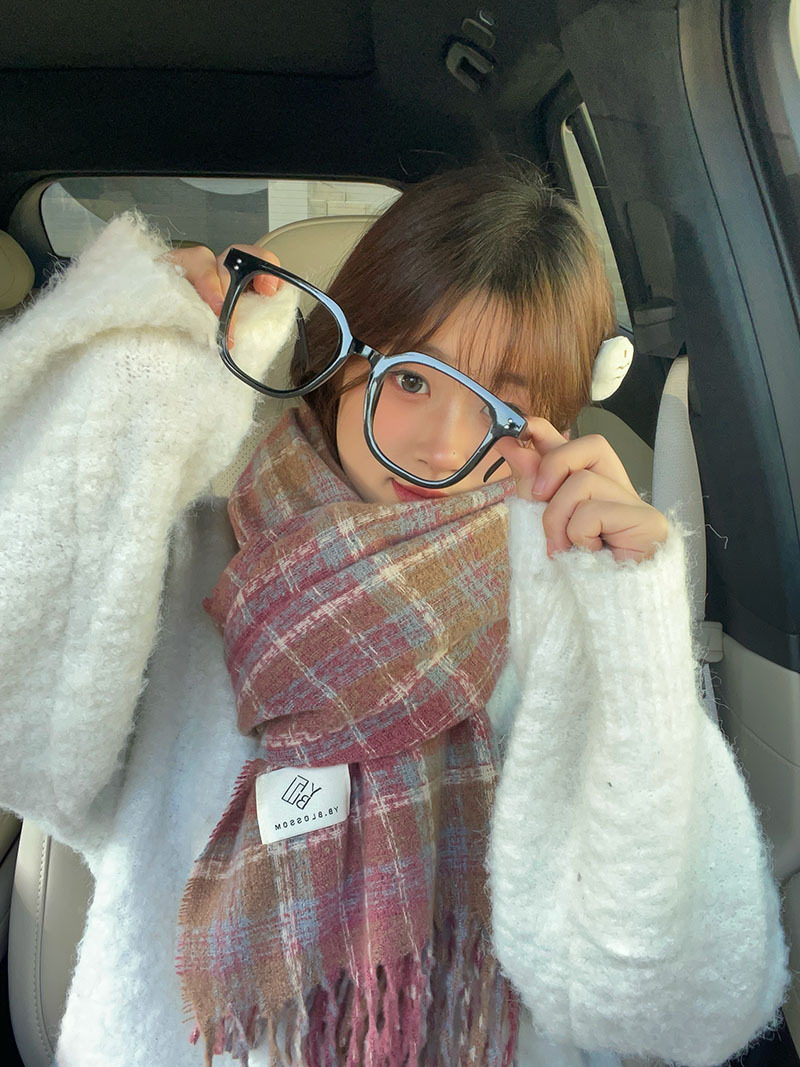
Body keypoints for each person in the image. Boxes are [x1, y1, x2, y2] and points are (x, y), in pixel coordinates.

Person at [0, 161, 789, 1067]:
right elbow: (21, 739)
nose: (444, 447)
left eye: (500, 407)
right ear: (341, 359)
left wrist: (631, 629)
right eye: (412, 379)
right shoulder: (178, 563)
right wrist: (130, 381)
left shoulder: (573, 608)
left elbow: (682, 1009)